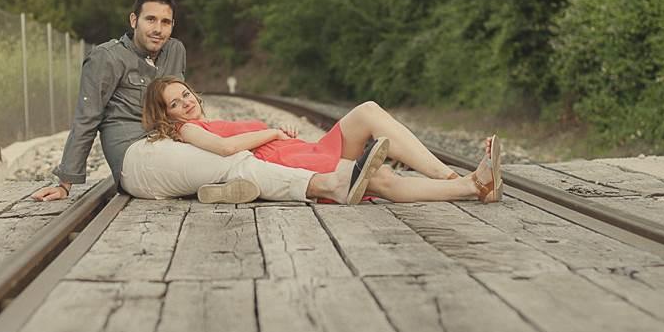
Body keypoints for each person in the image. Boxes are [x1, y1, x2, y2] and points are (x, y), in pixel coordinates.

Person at [31, 0, 386, 205]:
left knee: (239, 151)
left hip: (174, 142)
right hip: (137, 155)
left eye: (166, 22)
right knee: (232, 160)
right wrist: (65, 181)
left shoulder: (174, 52)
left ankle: (223, 187)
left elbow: (188, 111)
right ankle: (330, 184)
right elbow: (86, 119)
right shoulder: (105, 58)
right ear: (134, 19)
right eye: (150, 20)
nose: (158, 29)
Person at [142, 76, 504, 203]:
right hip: (289, 164)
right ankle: (473, 187)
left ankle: (448, 177)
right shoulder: (184, 130)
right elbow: (224, 149)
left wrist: (279, 136)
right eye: (175, 103)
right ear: (167, 115)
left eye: (185, 94)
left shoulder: (214, 118)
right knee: (376, 179)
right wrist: (271, 132)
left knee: (368, 111)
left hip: (302, 149)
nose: (186, 104)